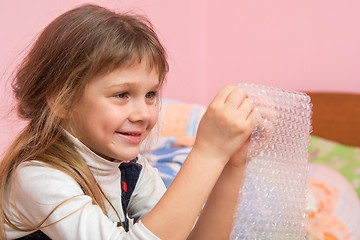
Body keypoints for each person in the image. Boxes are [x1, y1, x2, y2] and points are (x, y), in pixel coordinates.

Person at [0, 4, 255, 240]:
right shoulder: (38, 177)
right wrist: (207, 152)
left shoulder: (131, 171)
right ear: (62, 100)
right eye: (122, 95)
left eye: (150, 95)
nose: (143, 114)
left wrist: (232, 162)